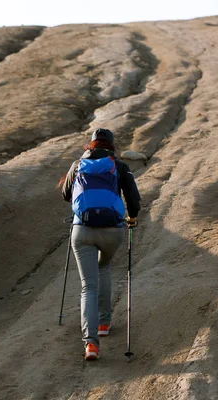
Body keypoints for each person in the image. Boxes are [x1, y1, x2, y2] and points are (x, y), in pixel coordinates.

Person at [61, 128, 141, 360]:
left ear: (91, 144)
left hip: (82, 231)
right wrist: (132, 218)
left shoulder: (77, 165)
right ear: (112, 145)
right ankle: (104, 323)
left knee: (88, 286)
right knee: (104, 267)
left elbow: (66, 195)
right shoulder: (120, 166)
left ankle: (91, 344)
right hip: (111, 231)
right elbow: (133, 199)